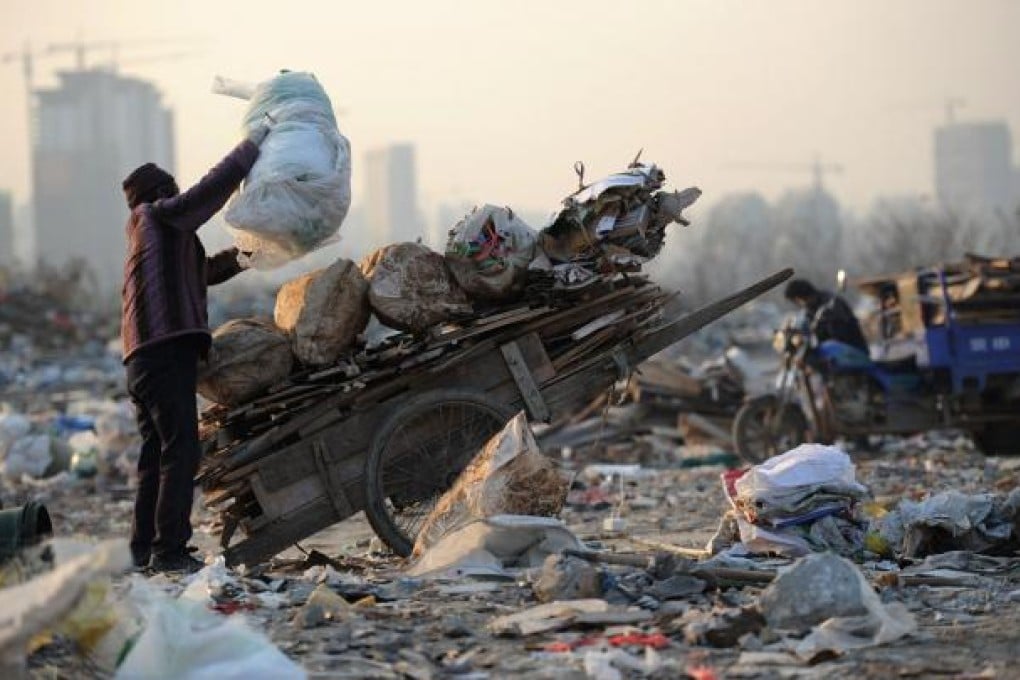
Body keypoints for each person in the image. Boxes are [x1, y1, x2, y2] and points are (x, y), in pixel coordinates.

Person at [120, 124, 269, 572]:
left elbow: (203, 271)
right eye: (171, 190)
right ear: (160, 192)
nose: (177, 194)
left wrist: (249, 255)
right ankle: (169, 552)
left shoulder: (153, 237)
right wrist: (251, 147)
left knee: (156, 456)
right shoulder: (157, 217)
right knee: (181, 449)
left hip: (143, 358)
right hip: (164, 352)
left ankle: (141, 550)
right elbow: (208, 192)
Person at [783, 278, 868, 353]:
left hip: (851, 352)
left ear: (799, 298)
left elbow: (839, 332)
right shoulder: (809, 311)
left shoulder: (832, 303)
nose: (798, 304)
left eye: (796, 301)